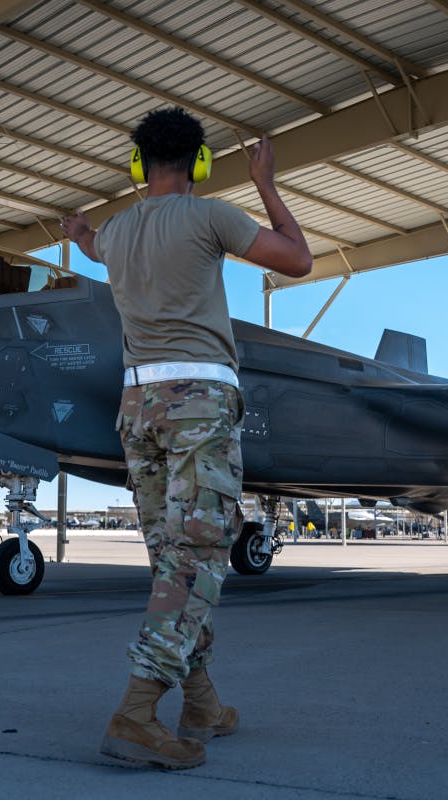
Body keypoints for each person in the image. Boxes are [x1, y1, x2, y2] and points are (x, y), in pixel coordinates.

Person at [61, 107, 311, 769]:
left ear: (139, 167)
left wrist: (80, 231)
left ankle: (201, 703)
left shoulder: (114, 234)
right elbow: (298, 259)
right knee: (196, 560)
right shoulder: (210, 216)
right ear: (199, 165)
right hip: (199, 403)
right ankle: (137, 714)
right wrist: (266, 184)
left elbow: (91, 245)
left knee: (172, 559)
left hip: (137, 408)